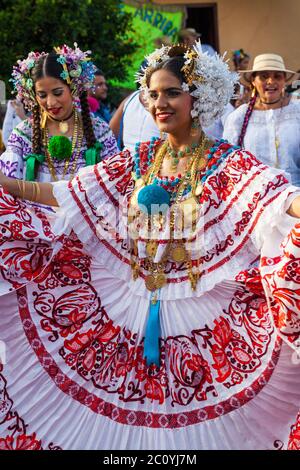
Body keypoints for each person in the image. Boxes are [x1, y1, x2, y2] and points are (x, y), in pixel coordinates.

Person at [0, 42, 300, 451]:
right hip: (129, 308)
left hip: (203, 318)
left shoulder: (226, 163)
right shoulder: (139, 159)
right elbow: (68, 192)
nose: (159, 103)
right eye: (154, 94)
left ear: (201, 97)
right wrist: (8, 185)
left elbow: (275, 197)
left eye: (172, 92)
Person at [1, 45, 118, 181]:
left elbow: (116, 182)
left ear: (73, 88)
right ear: (34, 95)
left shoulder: (99, 130)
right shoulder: (23, 134)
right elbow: (9, 187)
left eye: (58, 93)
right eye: (42, 95)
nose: (51, 103)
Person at [223, 53, 300, 186]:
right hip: (256, 199)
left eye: (277, 76)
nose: (271, 81)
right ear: (253, 80)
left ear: (284, 80)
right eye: (264, 76)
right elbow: (229, 163)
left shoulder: (297, 112)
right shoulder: (239, 117)